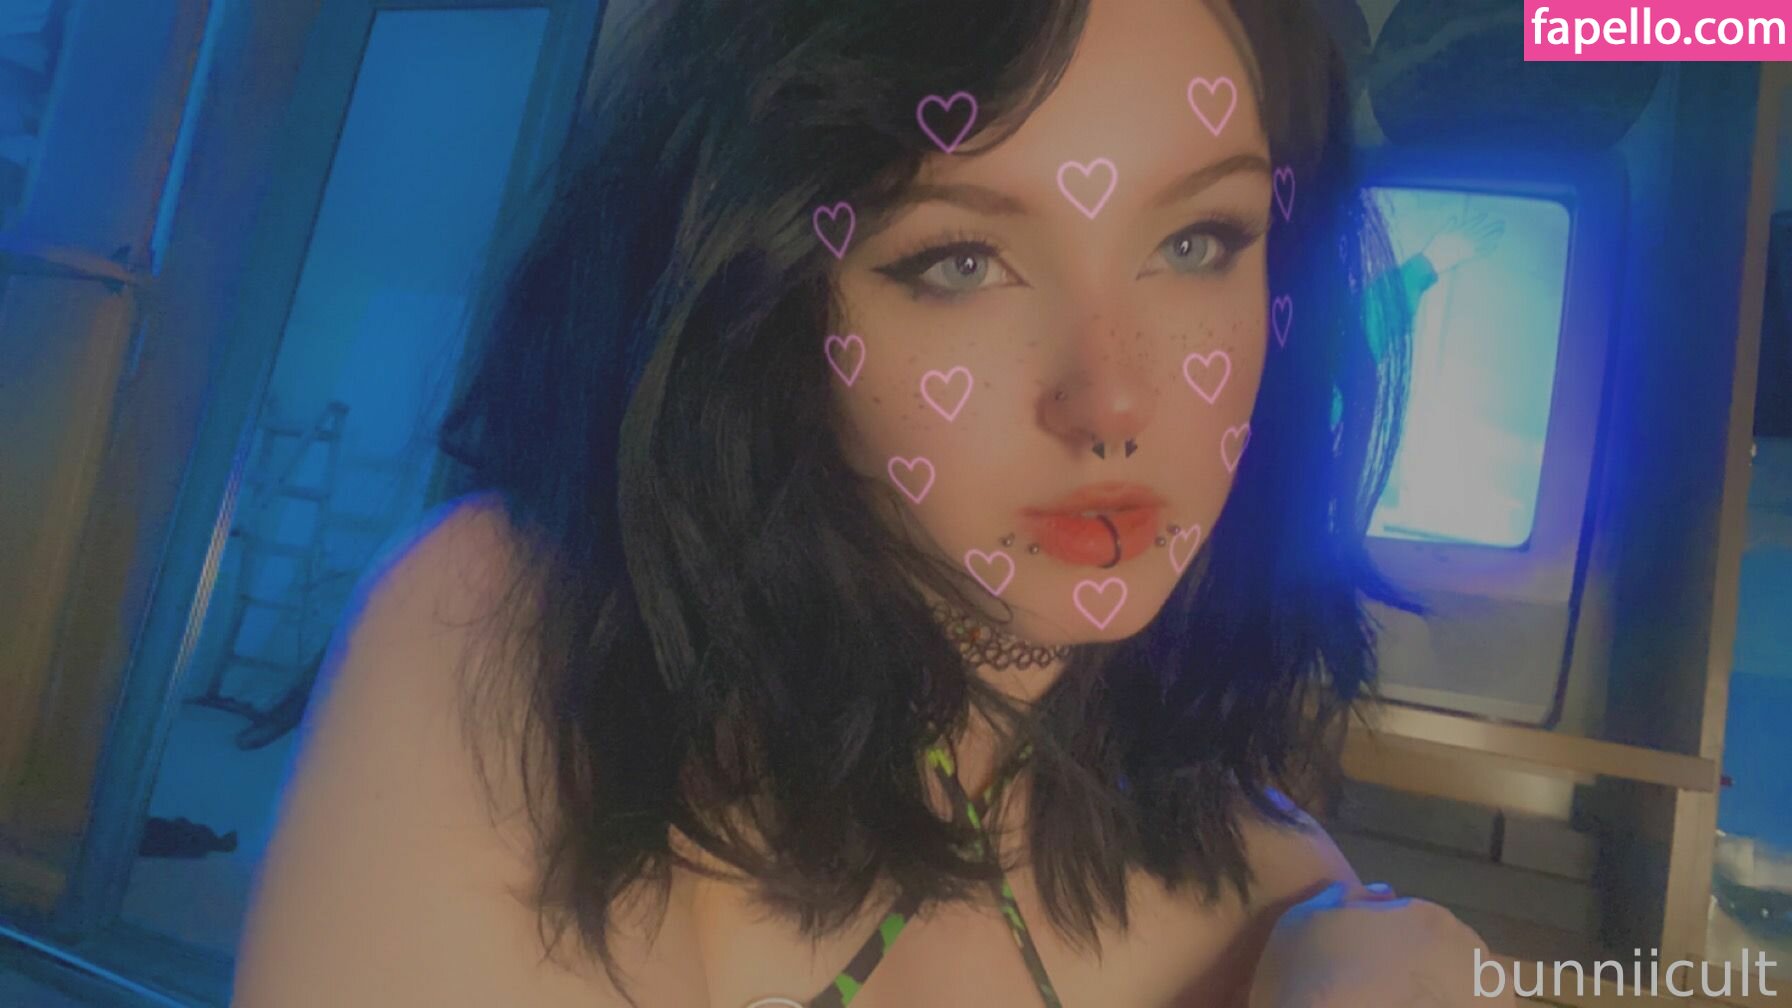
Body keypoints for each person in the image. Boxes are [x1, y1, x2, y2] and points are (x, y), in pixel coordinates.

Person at [232, 0, 1518, 1005]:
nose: (1113, 400)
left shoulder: (1284, 895)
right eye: (959, 260)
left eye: (1197, 243)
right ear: (761, 304)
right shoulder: (523, 658)